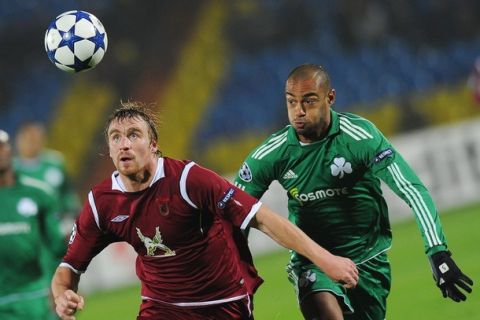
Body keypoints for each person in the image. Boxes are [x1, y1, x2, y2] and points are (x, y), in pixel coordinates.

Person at [51, 102, 359, 320]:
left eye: (134, 134)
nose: (124, 144)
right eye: (115, 138)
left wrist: (326, 260)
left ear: (154, 144)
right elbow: (69, 268)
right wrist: (63, 294)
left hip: (223, 301)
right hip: (161, 306)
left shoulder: (189, 180)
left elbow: (263, 219)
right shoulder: (101, 202)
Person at [234, 64, 474, 320]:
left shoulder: (360, 137)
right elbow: (233, 214)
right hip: (313, 260)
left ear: (330, 98)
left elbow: (412, 189)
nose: (299, 111)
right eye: (291, 102)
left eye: (309, 101)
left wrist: (437, 251)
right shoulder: (271, 154)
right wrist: (233, 278)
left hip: (369, 261)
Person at [0, 129, 66, 319]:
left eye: (2, 146)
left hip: (36, 297)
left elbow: (57, 247)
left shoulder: (38, 193)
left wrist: (64, 286)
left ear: (9, 149)